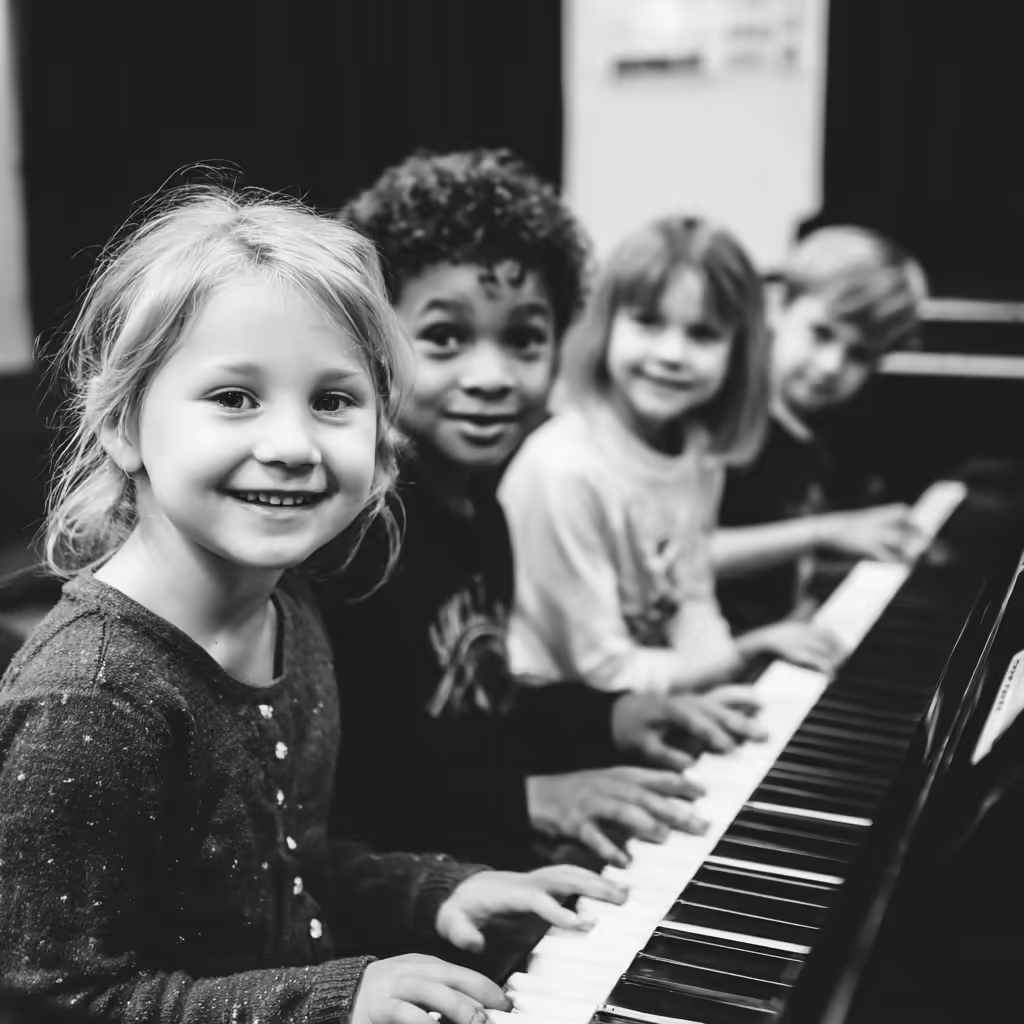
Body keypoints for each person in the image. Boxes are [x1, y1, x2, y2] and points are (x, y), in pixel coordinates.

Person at [0, 187, 627, 1024]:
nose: (292, 446)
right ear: (121, 423)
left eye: (334, 401)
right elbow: (54, 999)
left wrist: (440, 891)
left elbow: (286, 870)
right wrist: (336, 999)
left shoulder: (289, 609)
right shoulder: (93, 693)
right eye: (234, 397)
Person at [318, 151, 765, 873]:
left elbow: (479, 709)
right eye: (445, 338)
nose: (491, 377)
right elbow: (360, 782)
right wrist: (532, 798)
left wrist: (608, 716)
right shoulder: (358, 538)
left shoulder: (482, 514)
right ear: (374, 342)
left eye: (523, 339)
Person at [500, 215, 846, 695]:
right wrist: (742, 656)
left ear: (738, 350)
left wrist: (725, 670)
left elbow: (692, 598)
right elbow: (598, 669)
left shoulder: (697, 449)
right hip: (564, 724)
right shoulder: (565, 470)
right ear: (606, 326)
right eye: (647, 322)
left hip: (652, 697)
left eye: (702, 334)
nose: (671, 354)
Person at [714, 226, 929, 633]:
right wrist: (830, 531)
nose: (831, 366)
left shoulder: (808, 424)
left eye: (860, 355)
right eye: (821, 333)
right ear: (778, 305)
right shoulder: (726, 414)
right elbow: (689, 558)